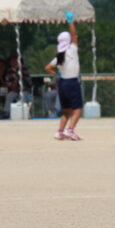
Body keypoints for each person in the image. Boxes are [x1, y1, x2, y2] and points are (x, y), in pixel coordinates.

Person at [46, 12, 83, 141]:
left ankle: (60, 131)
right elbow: (74, 35)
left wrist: (56, 73)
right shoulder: (71, 50)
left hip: (62, 83)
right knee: (77, 109)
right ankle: (70, 130)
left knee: (66, 111)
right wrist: (70, 21)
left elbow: (48, 67)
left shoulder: (59, 55)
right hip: (72, 82)